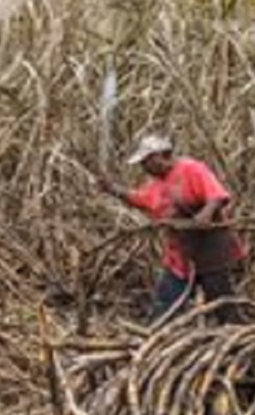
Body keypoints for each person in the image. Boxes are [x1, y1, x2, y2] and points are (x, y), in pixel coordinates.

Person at [98, 134, 246, 325]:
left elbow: (217, 196)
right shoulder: (157, 185)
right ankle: (155, 339)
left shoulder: (192, 169)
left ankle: (235, 340)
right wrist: (113, 189)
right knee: (164, 304)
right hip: (180, 256)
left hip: (211, 251)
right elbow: (141, 199)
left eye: (146, 162)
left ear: (161, 155)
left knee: (222, 306)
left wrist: (205, 214)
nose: (144, 168)